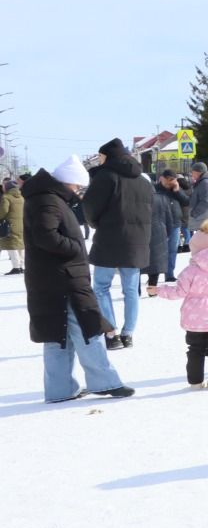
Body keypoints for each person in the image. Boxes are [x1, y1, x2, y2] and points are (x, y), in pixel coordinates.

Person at [23, 157, 133, 401]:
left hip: (53, 278)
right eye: (77, 187)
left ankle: (60, 390)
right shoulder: (48, 200)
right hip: (63, 279)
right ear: (68, 182)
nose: (78, 192)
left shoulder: (46, 197)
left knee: (58, 335)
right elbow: (46, 236)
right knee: (88, 328)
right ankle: (104, 382)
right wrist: (75, 248)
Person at [151, 218, 208, 390]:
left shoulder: (190, 271)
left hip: (194, 318)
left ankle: (196, 382)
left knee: (195, 350)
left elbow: (179, 292)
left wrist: (159, 290)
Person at [83, 138, 153, 350]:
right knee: (131, 289)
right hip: (136, 241)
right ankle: (128, 333)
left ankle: (111, 333)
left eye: (101, 156)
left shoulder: (105, 176)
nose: (100, 160)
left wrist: (95, 224)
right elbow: (151, 210)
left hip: (109, 239)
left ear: (108, 156)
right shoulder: (143, 180)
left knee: (102, 287)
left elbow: (90, 207)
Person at [147, 169, 185, 289]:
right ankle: (153, 275)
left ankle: (169, 274)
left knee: (172, 250)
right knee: (157, 252)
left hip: (175, 223)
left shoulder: (175, 189)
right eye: (168, 180)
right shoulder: (154, 189)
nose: (169, 183)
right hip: (160, 224)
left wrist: (177, 191)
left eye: (172, 180)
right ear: (162, 178)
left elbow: (186, 201)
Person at [3, 177, 24, 274]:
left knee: (11, 245)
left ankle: (16, 267)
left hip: (10, 224)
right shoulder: (21, 197)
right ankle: (21, 266)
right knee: (20, 244)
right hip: (21, 224)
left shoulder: (6, 197)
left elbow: (3, 211)